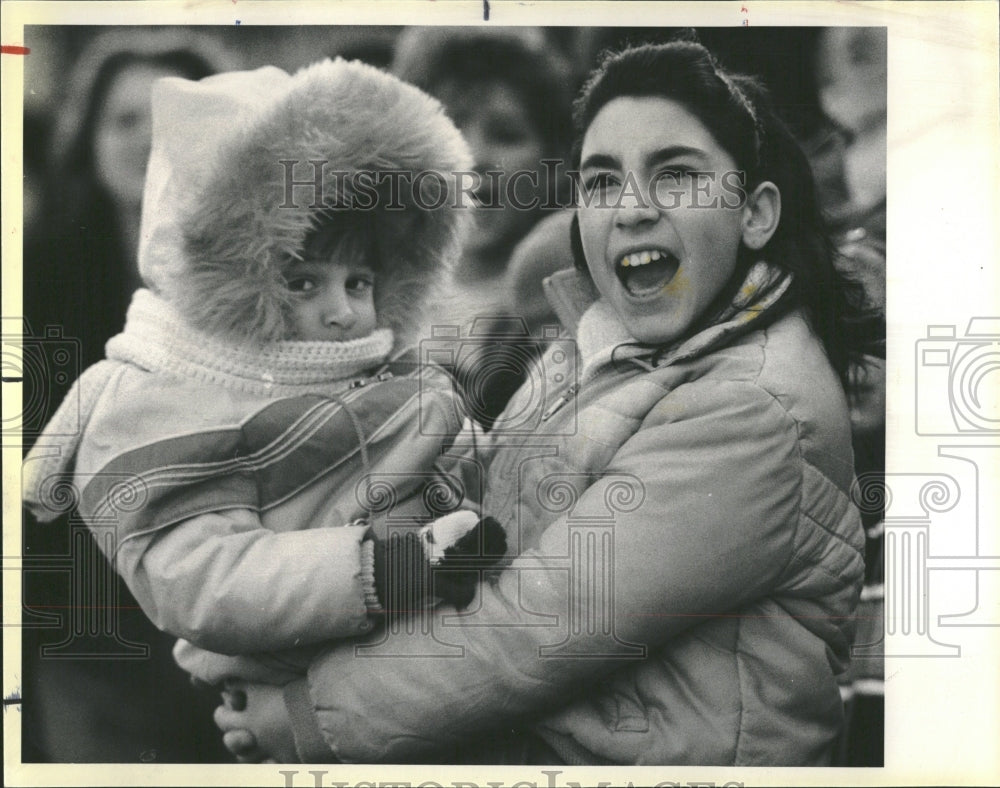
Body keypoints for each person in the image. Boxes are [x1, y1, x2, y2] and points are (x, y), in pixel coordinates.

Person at [213, 40, 871, 766]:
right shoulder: (595, 347)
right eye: (601, 180)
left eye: (676, 174)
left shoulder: (755, 406)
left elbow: (534, 625)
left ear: (756, 214)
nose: (632, 209)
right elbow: (485, 521)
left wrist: (311, 715)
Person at [23, 59, 505, 718]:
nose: (342, 312)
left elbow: (470, 465)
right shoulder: (166, 408)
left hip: (421, 663)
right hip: (309, 669)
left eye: (359, 282)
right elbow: (202, 576)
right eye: (303, 283)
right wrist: (385, 570)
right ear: (232, 279)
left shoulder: (381, 373)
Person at [20, 28, 238, 763]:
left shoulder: (261, 273)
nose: (147, 140)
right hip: (82, 618)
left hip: (228, 611)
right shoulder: (33, 268)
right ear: (86, 139)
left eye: (169, 120)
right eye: (123, 120)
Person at [392, 27, 575, 429]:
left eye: (507, 135)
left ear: (556, 164)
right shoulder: (377, 291)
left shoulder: (556, 305)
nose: (474, 157)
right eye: (451, 131)